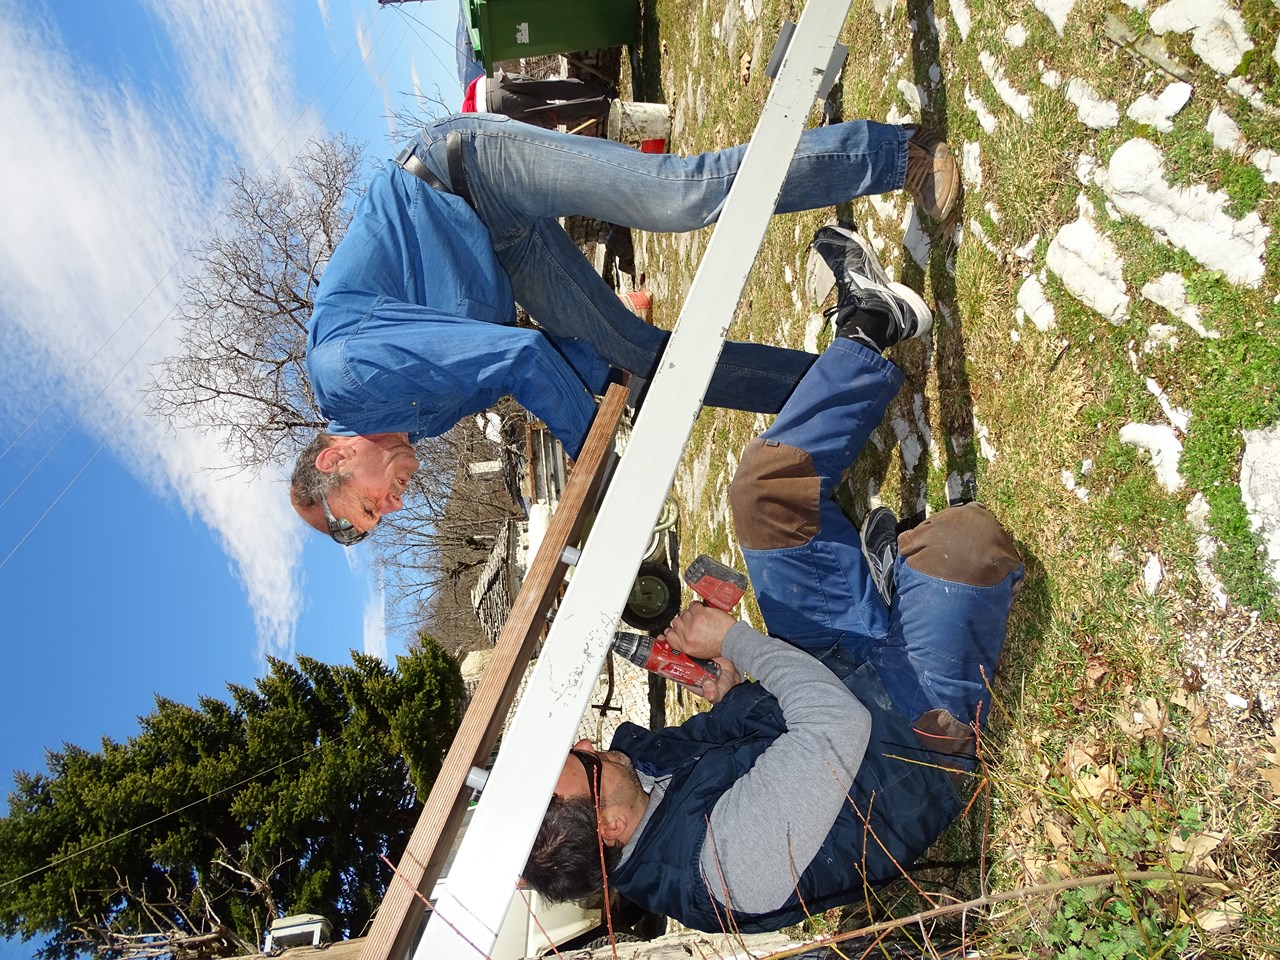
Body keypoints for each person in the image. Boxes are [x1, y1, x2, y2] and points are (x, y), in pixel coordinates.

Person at [522, 225, 1024, 932]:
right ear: (607, 827)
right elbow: (834, 724)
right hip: (911, 736)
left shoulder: (644, 780)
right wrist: (738, 639)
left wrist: (728, 693)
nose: (584, 746)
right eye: (583, 764)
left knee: (760, 495)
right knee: (965, 546)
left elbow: (753, 739)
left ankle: (872, 322)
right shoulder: (728, 867)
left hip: (829, 674)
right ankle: (894, 580)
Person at [290, 112, 961, 545]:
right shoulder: (419, 422)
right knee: (644, 365)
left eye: (370, 508)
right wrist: (611, 388)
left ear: (335, 460)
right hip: (496, 255)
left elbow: (518, 357)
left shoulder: (349, 372)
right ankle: (837, 386)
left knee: (680, 195)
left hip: (464, 175)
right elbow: (546, 354)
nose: (393, 508)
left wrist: (599, 472)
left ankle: (899, 153)